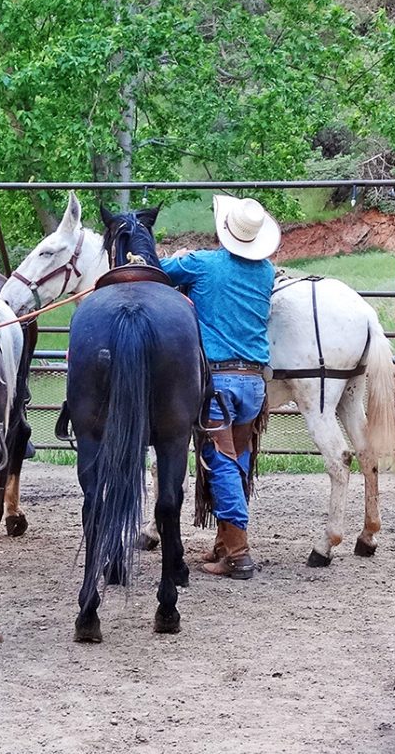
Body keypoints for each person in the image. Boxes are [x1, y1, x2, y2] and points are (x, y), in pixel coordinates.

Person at [158, 195, 281, 580]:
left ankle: (239, 552)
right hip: (254, 384)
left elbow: (160, 272)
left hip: (219, 382)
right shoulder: (265, 272)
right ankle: (227, 542)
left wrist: (180, 255)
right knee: (238, 460)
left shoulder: (203, 264)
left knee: (222, 463)